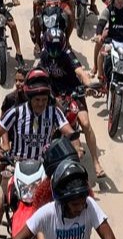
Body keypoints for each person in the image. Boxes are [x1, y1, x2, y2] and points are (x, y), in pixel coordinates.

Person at [0, 69, 73, 239]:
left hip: (44, 169)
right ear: (29, 98)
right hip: (16, 166)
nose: (41, 104)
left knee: (61, 204)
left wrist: (77, 147)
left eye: (44, 100)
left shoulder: (54, 112)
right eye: (37, 100)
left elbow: (68, 131)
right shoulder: (16, 112)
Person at [37, 27, 105, 179]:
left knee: (85, 123)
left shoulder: (68, 54)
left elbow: (80, 71)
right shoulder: (44, 55)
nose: (54, 51)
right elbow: (39, 72)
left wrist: (88, 85)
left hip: (73, 92)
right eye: (51, 48)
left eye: (57, 48)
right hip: (53, 95)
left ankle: (96, 162)